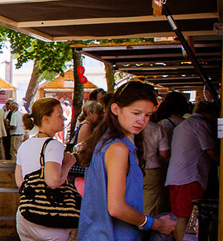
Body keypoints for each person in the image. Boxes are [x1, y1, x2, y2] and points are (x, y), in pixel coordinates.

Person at [77, 82, 176, 239]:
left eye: (148, 115)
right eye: (136, 113)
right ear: (116, 109)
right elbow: (116, 208)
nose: (142, 120)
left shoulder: (109, 141)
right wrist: (156, 223)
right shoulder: (118, 148)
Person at [14, 98, 79, 240]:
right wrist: (67, 164)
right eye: (59, 115)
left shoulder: (25, 145)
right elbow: (53, 182)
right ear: (46, 119)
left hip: (25, 214)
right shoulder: (54, 145)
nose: (64, 118)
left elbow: (20, 181)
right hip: (48, 217)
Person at [164, 101, 220, 240]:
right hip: (189, 177)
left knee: (177, 216)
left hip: (174, 176)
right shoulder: (200, 124)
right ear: (212, 115)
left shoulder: (185, 124)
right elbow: (212, 151)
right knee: (186, 216)